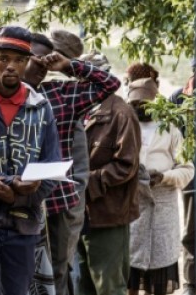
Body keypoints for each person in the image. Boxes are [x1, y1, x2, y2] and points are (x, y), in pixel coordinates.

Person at [24, 30, 122, 295]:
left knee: (57, 270)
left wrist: (69, 66)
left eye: (48, 61)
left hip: (59, 201)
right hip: (14, 201)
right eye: (35, 59)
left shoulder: (58, 95)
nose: (42, 68)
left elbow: (110, 84)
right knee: (19, 272)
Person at [0, 25, 61, 295]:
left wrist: (21, 196)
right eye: (4, 58)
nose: (11, 66)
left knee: (16, 291)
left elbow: (51, 166)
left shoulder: (41, 108)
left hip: (24, 219)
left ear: (27, 63)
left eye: (19, 60)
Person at [74, 51, 142, 295]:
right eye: (81, 78)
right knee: (82, 286)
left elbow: (126, 165)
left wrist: (87, 182)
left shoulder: (121, 113)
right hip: (77, 214)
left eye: (91, 78)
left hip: (108, 214)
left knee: (109, 287)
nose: (84, 84)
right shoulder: (79, 109)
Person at [125, 66, 195, 295]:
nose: (141, 108)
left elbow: (187, 170)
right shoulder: (124, 125)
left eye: (146, 103)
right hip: (132, 210)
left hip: (162, 212)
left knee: (159, 280)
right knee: (130, 277)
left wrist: (164, 177)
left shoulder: (170, 128)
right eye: (136, 104)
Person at [169, 59, 196, 295]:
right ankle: (190, 284)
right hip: (192, 177)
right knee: (190, 232)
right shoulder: (179, 98)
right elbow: (169, 135)